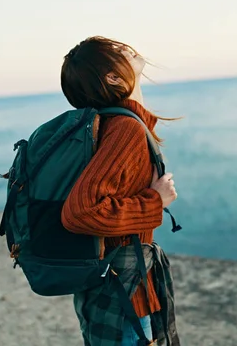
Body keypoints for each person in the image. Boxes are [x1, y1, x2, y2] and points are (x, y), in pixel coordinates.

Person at [60, 36, 180, 346]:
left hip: (105, 286)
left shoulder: (110, 123)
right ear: (112, 77)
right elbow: (81, 212)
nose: (126, 49)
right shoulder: (123, 129)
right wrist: (156, 201)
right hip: (123, 295)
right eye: (116, 52)